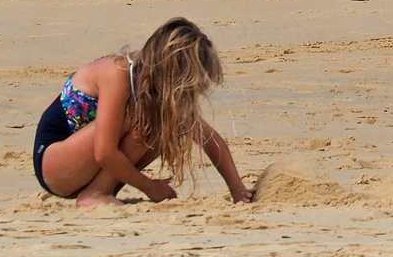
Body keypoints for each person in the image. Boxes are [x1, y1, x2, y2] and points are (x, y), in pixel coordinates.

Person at [33, 17, 252, 206]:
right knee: (147, 121)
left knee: (169, 118)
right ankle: (96, 193)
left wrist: (237, 189)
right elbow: (104, 152)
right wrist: (149, 187)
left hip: (81, 167)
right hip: (54, 164)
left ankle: (101, 190)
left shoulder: (152, 88)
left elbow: (207, 137)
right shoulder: (117, 74)